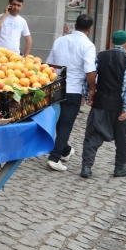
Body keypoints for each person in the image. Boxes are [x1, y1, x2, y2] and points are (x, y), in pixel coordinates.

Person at [80, 30, 126, 178]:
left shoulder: (100, 56)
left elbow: (90, 75)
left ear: (111, 42)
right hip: (119, 106)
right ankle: (120, 168)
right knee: (122, 138)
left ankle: (86, 167)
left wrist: (88, 95)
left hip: (101, 102)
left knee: (93, 135)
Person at [45, 14, 96, 172]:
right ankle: (54, 158)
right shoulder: (88, 45)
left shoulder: (60, 40)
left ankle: (65, 150)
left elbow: (49, 65)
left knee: (60, 122)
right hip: (73, 90)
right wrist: (92, 89)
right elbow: (89, 71)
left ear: (75, 25)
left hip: (57, 87)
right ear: (90, 29)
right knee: (66, 124)